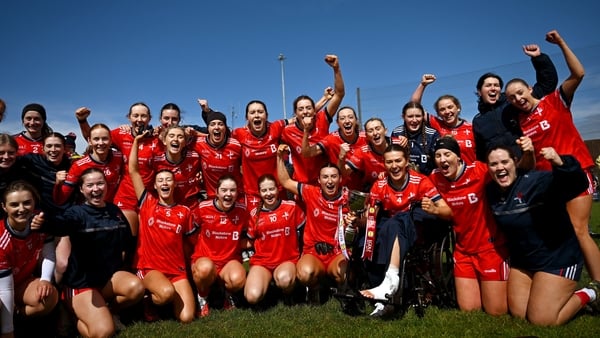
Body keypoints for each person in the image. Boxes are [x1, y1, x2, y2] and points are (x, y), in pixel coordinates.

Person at [504, 30, 600, 283]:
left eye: (519, 92)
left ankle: (598, 285)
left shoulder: (555, 101)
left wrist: (560, 44)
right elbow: (531, 162)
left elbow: (578, 74)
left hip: (575, 174)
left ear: (528, 87)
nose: (517, 98)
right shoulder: (521, 122)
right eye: (512, 98)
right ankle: (562, 281)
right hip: (546, 183)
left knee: (579, 231)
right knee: (557, 232)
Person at [486, 145, 600, 325]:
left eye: (504, 161)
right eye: (493, 164)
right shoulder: (491, 192)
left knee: (542, 319)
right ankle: (552, 296)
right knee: (520, 313)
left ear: (515, 163)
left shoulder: (535, 182)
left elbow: (577, 184)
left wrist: (560, 162)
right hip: (524, 262)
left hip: (558, 259)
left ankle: (591, 293)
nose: (499, 167)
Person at [429, 136, 525, 315]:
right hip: (463, 250)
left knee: (496, 311)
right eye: (438, 155)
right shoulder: (435, 178)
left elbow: (507, 171)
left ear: (458, 157)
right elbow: (416, 183)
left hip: (490, 248)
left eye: (447, 154)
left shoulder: (479, 170)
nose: (442, 159)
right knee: (469, 309)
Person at [47, 168, 144, 337]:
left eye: (100, 183)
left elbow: (127, 242)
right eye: (90, 185)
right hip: (81, 285)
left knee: (136, 288)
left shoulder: (115, 211)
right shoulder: (75, 213)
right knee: (103, 332)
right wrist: (43, 222)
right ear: (82, 189)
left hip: (107, 280)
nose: (96, 189)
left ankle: (109, 311)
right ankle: (71, 312)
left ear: (106, 185)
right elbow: (60, 224)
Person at [358, 144, 452, 316]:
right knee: (366, 240)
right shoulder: (379, 185)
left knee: (399, 219)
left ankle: (390, 281)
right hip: (391, 228)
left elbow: (448, 211)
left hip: (417, 229)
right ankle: (382, 295)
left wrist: (434, 209)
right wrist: (358, 219)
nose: (394, 166)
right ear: (384, 164)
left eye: (398, 161)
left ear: (407, 161)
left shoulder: (421, 181)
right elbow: (370, 219)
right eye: (389, 162)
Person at [129, 132, 197, 323]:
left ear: (174, 185)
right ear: (156, 187)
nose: (165, 183)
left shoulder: (184, 211)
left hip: (177, 270)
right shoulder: (147, 203)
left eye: (169, 180)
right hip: (150, 268)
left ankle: (163, 299)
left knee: (186, 318)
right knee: (166, 293)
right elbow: (134, 170)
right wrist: (136, 141)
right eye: (161, 181)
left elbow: (191, 244)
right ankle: (149, 299)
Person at [277, 144, 352, 305]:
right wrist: (279, 158)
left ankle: (340, 288)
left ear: (340, 179)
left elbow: (363, 218)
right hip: (314, 252)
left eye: (333, 177)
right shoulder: (311, 192)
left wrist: (356, 221)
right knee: (305, 274)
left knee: (345, 273)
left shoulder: (348, 198)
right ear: (319, 180)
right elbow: (285, 181)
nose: (330, 181)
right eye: (325, 177)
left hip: (337, 253)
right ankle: (315, 288)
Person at [75, 103, 157, 236]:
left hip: (149, 197)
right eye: (135, 115)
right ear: (129, 117)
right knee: (124, 239)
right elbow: (96, 140)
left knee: (145, 238)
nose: (139, 119)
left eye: (143, 116)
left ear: (149, 119)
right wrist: (82, 121)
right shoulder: (120, 133)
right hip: (125, 198)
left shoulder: (156, 138)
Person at [472, 44, 558, 162]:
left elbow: (546, 85)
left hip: (530, 164)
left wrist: (538, 58)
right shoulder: (478, 121)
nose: (493, 88)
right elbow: (481, 154)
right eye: (488, 85)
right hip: (503, 173)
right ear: (479, 92)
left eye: (496, 85)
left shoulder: (515, 103)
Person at [0, 181, 58, 338]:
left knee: (49, 295)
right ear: (4, 207)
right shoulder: (2, 240)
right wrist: (8, 332)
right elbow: (4, 289)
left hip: (20, 282)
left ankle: (16, 318)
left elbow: (49, 254)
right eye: (14, 205)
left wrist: (46, 279)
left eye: (27, 203)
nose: (21, 209)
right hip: (2, 287)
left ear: (34, 202)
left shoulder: (40, 221)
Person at [281, 54, 345, 184]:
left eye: (308, 108)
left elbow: (339, 94)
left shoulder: (322, 119)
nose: (305, 111)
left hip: (326, 184)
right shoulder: (287, 132)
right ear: (295, 113)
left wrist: (336, 69)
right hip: (302, 186)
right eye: (301, 109)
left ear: (314, 111)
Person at [191, 175, 248, 317]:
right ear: (217, 192)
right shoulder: (203, 208)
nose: (228, 194)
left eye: (232, 190)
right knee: (204, 269)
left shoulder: (242, 211)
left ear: (237, 192)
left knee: (238, 278)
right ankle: (202, 298)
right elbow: (192, 232)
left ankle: (227, 295)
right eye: (224, 190)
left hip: (228, 262)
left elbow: (248, 237)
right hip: (205, 260)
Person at [244, 174, 305, 306]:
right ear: (259, 193)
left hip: (286, 260)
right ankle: (267, 286)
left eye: (271, 189)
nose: (268, 193)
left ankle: (288, 293)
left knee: (285, 279)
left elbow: (305, 233)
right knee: (252, 296)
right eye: (264, 190)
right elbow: (249, 242)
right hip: (262, 263)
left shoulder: (291, 207)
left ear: (278, 189)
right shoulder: (254, 214)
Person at [231, 100, 292, 210]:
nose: (257, 115)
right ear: (247, 118)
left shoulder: (276, 127)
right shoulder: (238, 134)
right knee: (256, 226)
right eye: (252, 112)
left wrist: (324, 99)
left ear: (266, 115)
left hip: (276, 191)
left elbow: (300, 117)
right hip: (252, 194)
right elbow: (217, 135)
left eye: (260, 112)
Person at [410, 74, 476, 165]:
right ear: (438, 113)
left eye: (450, 107)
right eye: (442, 109)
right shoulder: (436, 124)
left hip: (470, 176)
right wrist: (423, 85)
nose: (447, 111)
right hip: (446, 176)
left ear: (458, 108)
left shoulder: (472, 128)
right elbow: (414, 106)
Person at [301, 106, 367, 191]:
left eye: (350, 117)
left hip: (363, 191)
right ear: (337, 123)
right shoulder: (331, 139)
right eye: (342, 118)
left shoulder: (366, 138)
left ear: (356, 120)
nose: (347, 121)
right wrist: (306, 131)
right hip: (339, 191)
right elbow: (307, 153)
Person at [191, 111, 243, 201]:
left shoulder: (236, 145)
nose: (216, 127)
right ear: (208, 128)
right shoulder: (198, 143)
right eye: (212, 124)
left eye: (220, 124)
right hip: (212, 198)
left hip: (236, 197)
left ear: (225, 128)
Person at [151, 125, 202, 209]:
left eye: (180, 136)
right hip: (166, 207)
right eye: (171, 136)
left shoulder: (194, 157)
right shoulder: (156, 161)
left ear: (185, 142)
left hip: (191, 207)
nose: (175, 139)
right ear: (164, 141)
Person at [390, 101, 440, 175]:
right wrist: (398, 146)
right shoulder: (397, 133)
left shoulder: (432, 134)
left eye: (418, 116)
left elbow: (439, 159)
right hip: (404, 179)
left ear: (423, 116)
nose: (414, 120)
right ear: (403, 117)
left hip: (428, 179)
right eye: (410, 116)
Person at [342, 117, 391, 191]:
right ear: (366, 136)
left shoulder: (399, 143)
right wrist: (341, 157)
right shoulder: (363, 151)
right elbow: (344, 172)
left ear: (385, 131)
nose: (375, 133)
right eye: (370, 131)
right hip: (374, 189)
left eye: (378, 129)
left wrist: (387, 174)